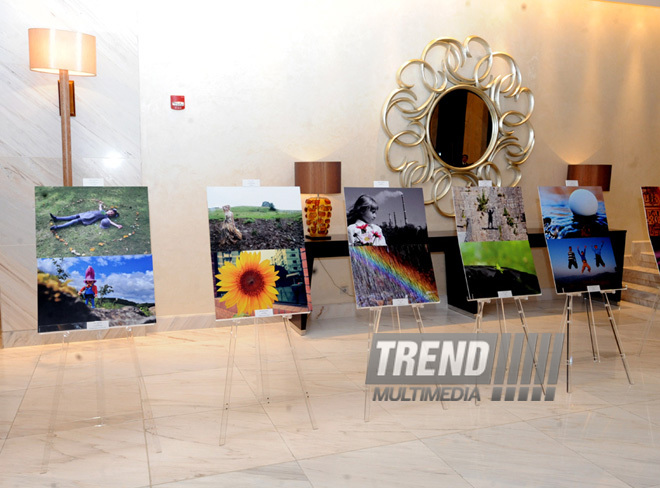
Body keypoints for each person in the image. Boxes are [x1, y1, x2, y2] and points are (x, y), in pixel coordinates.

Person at [50, 202, 122, 231]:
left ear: (110, 215)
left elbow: (110, 222)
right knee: (72, 216)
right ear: (109, 209)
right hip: (85, 214)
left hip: (88, 218)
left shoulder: (105, 216)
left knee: (73, 221)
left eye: (111, 213)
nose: (110, 212)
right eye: (111, 211)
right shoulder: (103, 212)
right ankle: (56, 218)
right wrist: (100, 204)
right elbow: (100, 209)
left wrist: (117, 225)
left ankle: (57, 227)